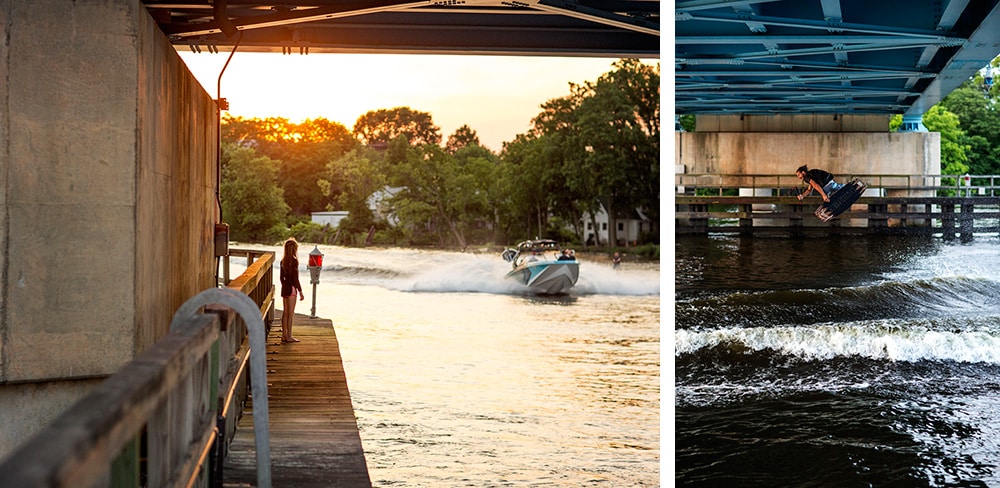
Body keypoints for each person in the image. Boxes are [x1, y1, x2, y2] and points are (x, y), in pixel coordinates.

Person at [279, 237, 305, 343]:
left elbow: (281, 277)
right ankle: (289, 336)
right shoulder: (294, 261)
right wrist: (300, 291)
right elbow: (295, 279)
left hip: (284, 288)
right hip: (292, 290)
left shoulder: (282, 261)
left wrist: (284, 285)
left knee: (285, 313)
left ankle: (284, 335)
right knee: (291, 314)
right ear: (294, 249)